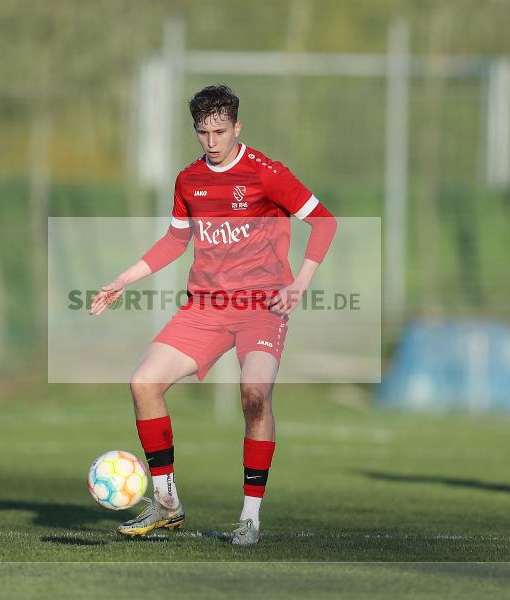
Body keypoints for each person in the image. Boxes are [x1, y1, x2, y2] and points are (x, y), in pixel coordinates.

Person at [90, 84, 337, 544]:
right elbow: (175, 241)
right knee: (144, 383)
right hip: (207, 305)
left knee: (254, 395)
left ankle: (250, 517)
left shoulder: (267, 175)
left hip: (262, 305)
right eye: (203, 132)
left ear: (237, 128)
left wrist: (300, 281)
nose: (211, 141)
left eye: (220, 131)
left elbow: (324, 221)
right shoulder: (189, 181)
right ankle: (165, 503)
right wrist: (124, 279)